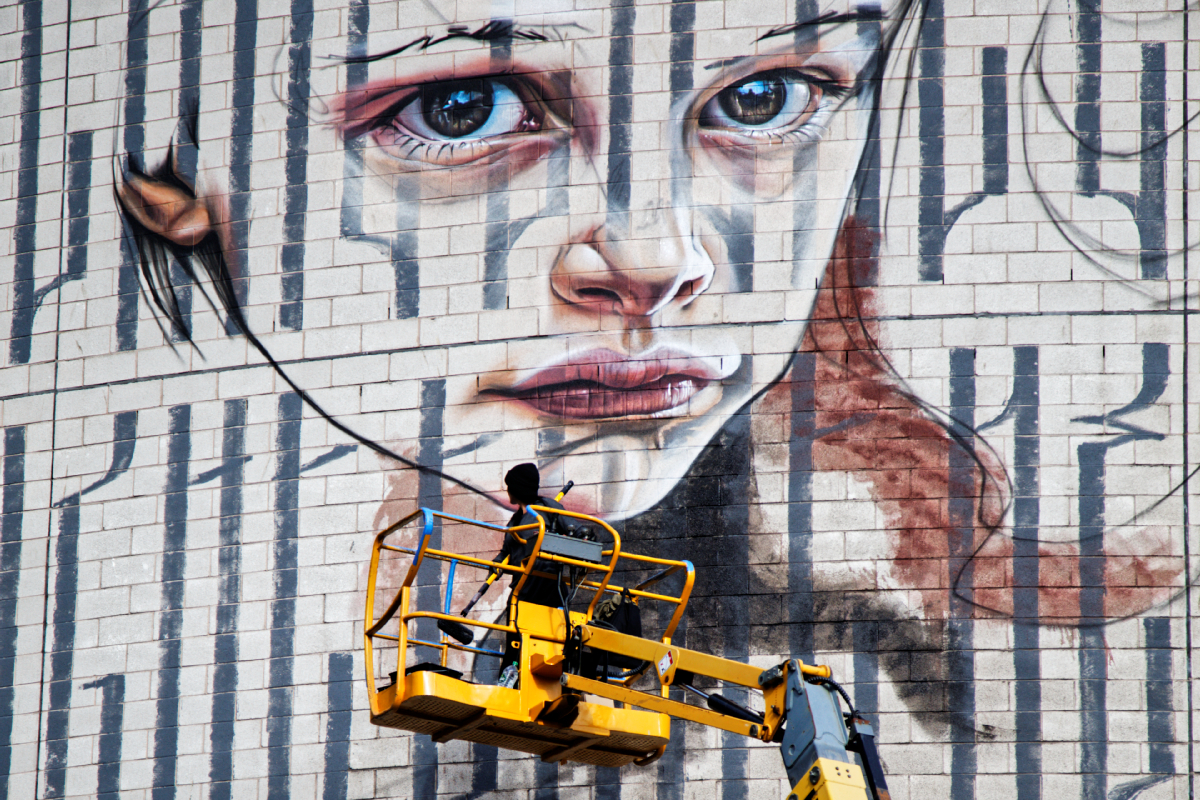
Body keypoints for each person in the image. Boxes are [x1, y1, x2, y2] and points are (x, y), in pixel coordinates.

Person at [494, 463, 566, 609]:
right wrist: (497, 564)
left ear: (516, 489)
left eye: (509, 486)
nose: (507, 490)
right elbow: (506, 553)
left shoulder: (547, 507)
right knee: (515, 629)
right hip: (521, 593)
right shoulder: (514, 522)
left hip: (547, 592)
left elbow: (576, 529)